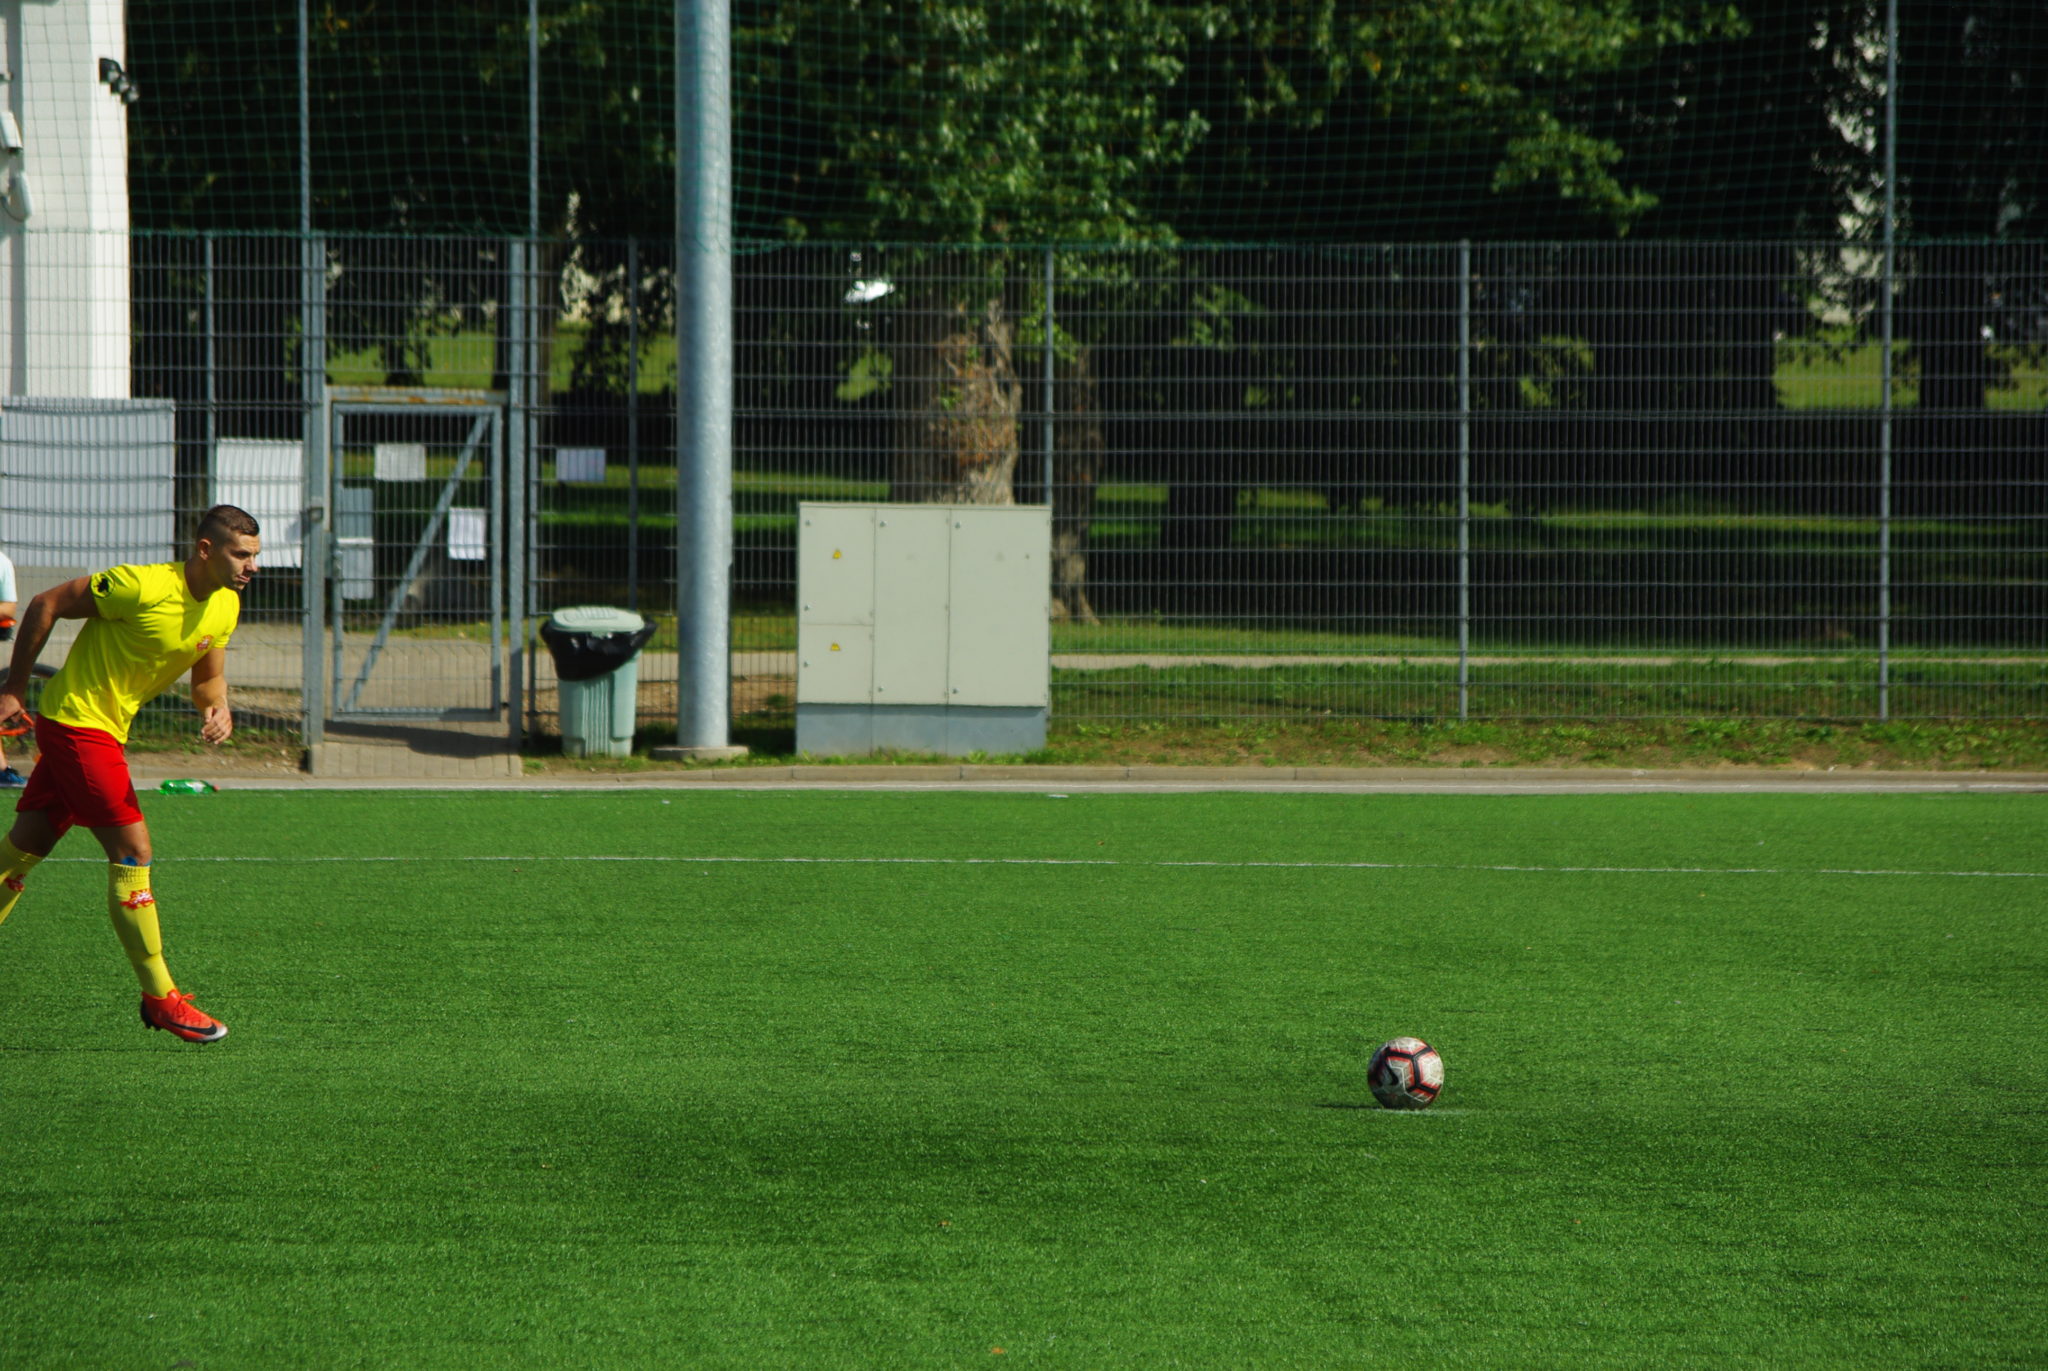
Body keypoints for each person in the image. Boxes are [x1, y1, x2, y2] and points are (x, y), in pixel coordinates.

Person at [0, 505, 259, 1043]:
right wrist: (13, 689)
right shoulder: (140, 585)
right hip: (77, 725)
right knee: (133, 853)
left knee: (26, 846)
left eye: (255, 556)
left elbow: (207, 680)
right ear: (205, 550)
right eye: (241, 554)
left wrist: (217, 707)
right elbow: (47, 603)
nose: (251, 566)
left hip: (104, 730)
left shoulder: (225, 603)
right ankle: (162, 998)